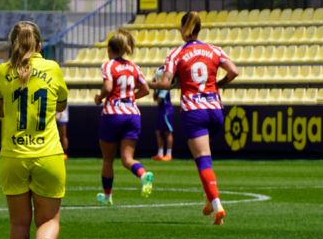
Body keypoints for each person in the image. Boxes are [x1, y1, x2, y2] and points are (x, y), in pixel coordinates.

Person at [0, 21, 69, 239]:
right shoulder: (52, 68)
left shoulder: (2, 71)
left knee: (19, 223)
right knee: (49, 220)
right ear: (39, 45)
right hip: (48, 154)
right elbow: (60, 105)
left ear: (12, 44)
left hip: (13, 156)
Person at [150, 12, 239, 225]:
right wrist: (218, 84)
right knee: (202, 156)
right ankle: (209, 199)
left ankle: (217, 204)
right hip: (215, 111)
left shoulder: (175, 54)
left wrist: (146, 85)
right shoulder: (214, 49)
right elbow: (234, 71)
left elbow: (164, 83)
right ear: (199, 29)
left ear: (184, 29)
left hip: (194, 111)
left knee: (203, 159)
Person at [93, 29, 154, 205]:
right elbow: (146, 90)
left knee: (108, 159)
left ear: (110, 49)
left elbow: (109, 87)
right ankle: (143, 175)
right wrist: (129, 98)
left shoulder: (108, 65)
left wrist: (99, 97)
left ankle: (107, 197)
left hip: (113, 114)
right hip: (133, 114)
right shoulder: (135, 67)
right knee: (127, 159)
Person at [152, 67, 174, 161]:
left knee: (167, 132)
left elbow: (158, 100)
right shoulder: (159, 87)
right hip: (161, 110)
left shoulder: (164, 87)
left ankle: (169, 154)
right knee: (158, 131)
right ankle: (160, 153)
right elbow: (154, 98)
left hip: (166, 110)